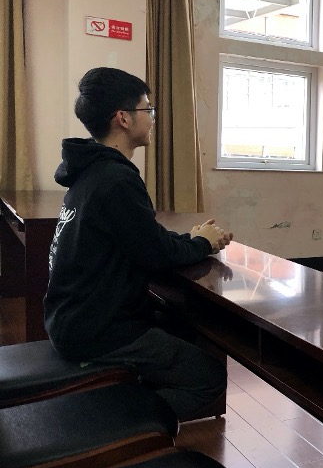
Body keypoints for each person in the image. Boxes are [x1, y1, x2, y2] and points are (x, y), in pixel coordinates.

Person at [43, 67, 233, 421]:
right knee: (209, 378)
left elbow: (141, 236)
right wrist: (201, 244)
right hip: (97, 330)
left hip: (70, 318)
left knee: (179, 324)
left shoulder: (90, 171)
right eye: (148, 109)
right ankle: (117, 428)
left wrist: (194, 239)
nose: (153, 118)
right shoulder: (116, 179)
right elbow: (157, 254)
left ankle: (127, 400)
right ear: (123, 118)